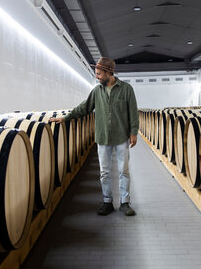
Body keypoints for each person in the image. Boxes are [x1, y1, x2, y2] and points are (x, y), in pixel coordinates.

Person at [50, 57, 139, 216]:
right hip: (103, 136)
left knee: (123, 171)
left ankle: (125, 202)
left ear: (108, 72)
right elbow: (84, 108)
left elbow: (133, 112)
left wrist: (134, 133)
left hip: (121, 136)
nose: (96, 77)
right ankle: (107, 202)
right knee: (104, 172)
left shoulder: (126, 89)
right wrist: (65, 118)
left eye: (98, 74)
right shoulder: (97, 91)